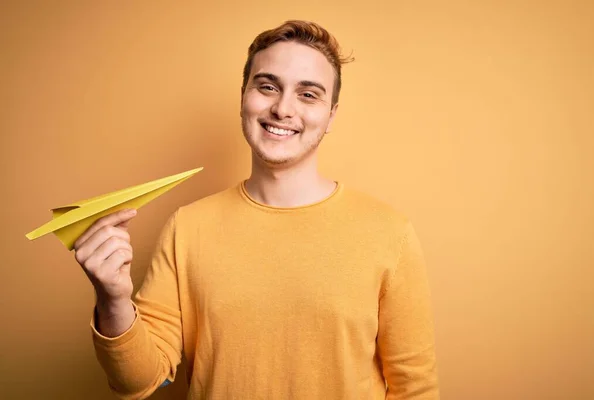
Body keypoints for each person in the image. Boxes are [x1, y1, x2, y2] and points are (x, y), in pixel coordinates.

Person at [74, 20, 439, 399]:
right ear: (244, 96)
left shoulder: (389, 234)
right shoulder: (187, 228)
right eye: (268, 87)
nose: (283, 108)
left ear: (330, 115)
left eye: (308, 94)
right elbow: (139, 380)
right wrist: (113, 299)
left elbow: (416, 388)